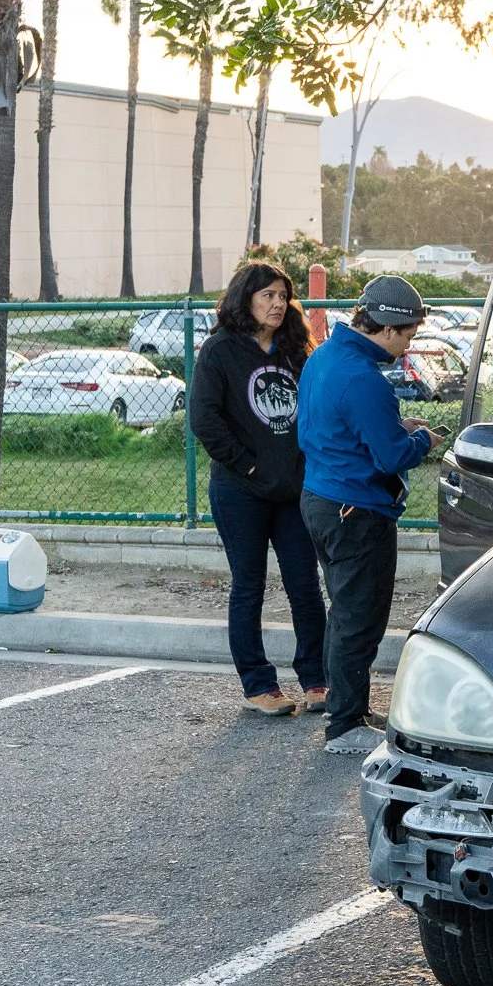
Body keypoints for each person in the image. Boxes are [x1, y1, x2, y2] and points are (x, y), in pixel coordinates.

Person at [297, 276, 445, 755]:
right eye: (409, 334)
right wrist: (422, 439)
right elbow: (392, 457)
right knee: (359, 617)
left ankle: (349, 706)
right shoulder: (365, 379)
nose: (408, 346)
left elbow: (337, 426)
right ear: (387, 327)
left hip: (320, 498)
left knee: (344, 611)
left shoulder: (323, 358)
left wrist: (394, 428)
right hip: (357, 510)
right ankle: (345, 726)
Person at [188, 261, 328, 716]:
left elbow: (315, 410)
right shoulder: (220, 350)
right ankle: (258, 685)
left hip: (293, 491)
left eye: (282, 296)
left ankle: (317, 679)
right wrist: (248, 468)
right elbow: (204, 420)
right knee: (248, 586)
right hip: (240, 491)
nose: (277, 304)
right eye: (267, 295)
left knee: (305, 585)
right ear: (245, 298)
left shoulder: (295, 350)